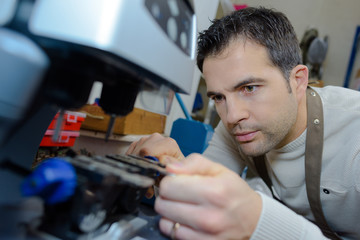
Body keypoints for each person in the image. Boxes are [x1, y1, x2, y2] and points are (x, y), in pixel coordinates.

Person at [126, 7, 360, 240]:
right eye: (219, 97)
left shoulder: (354, 134)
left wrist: (259, 222)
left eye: (249, 88)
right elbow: (204, 201)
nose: (231, 116)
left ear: (298, 81)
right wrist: (171, 171)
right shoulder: (238, 129)